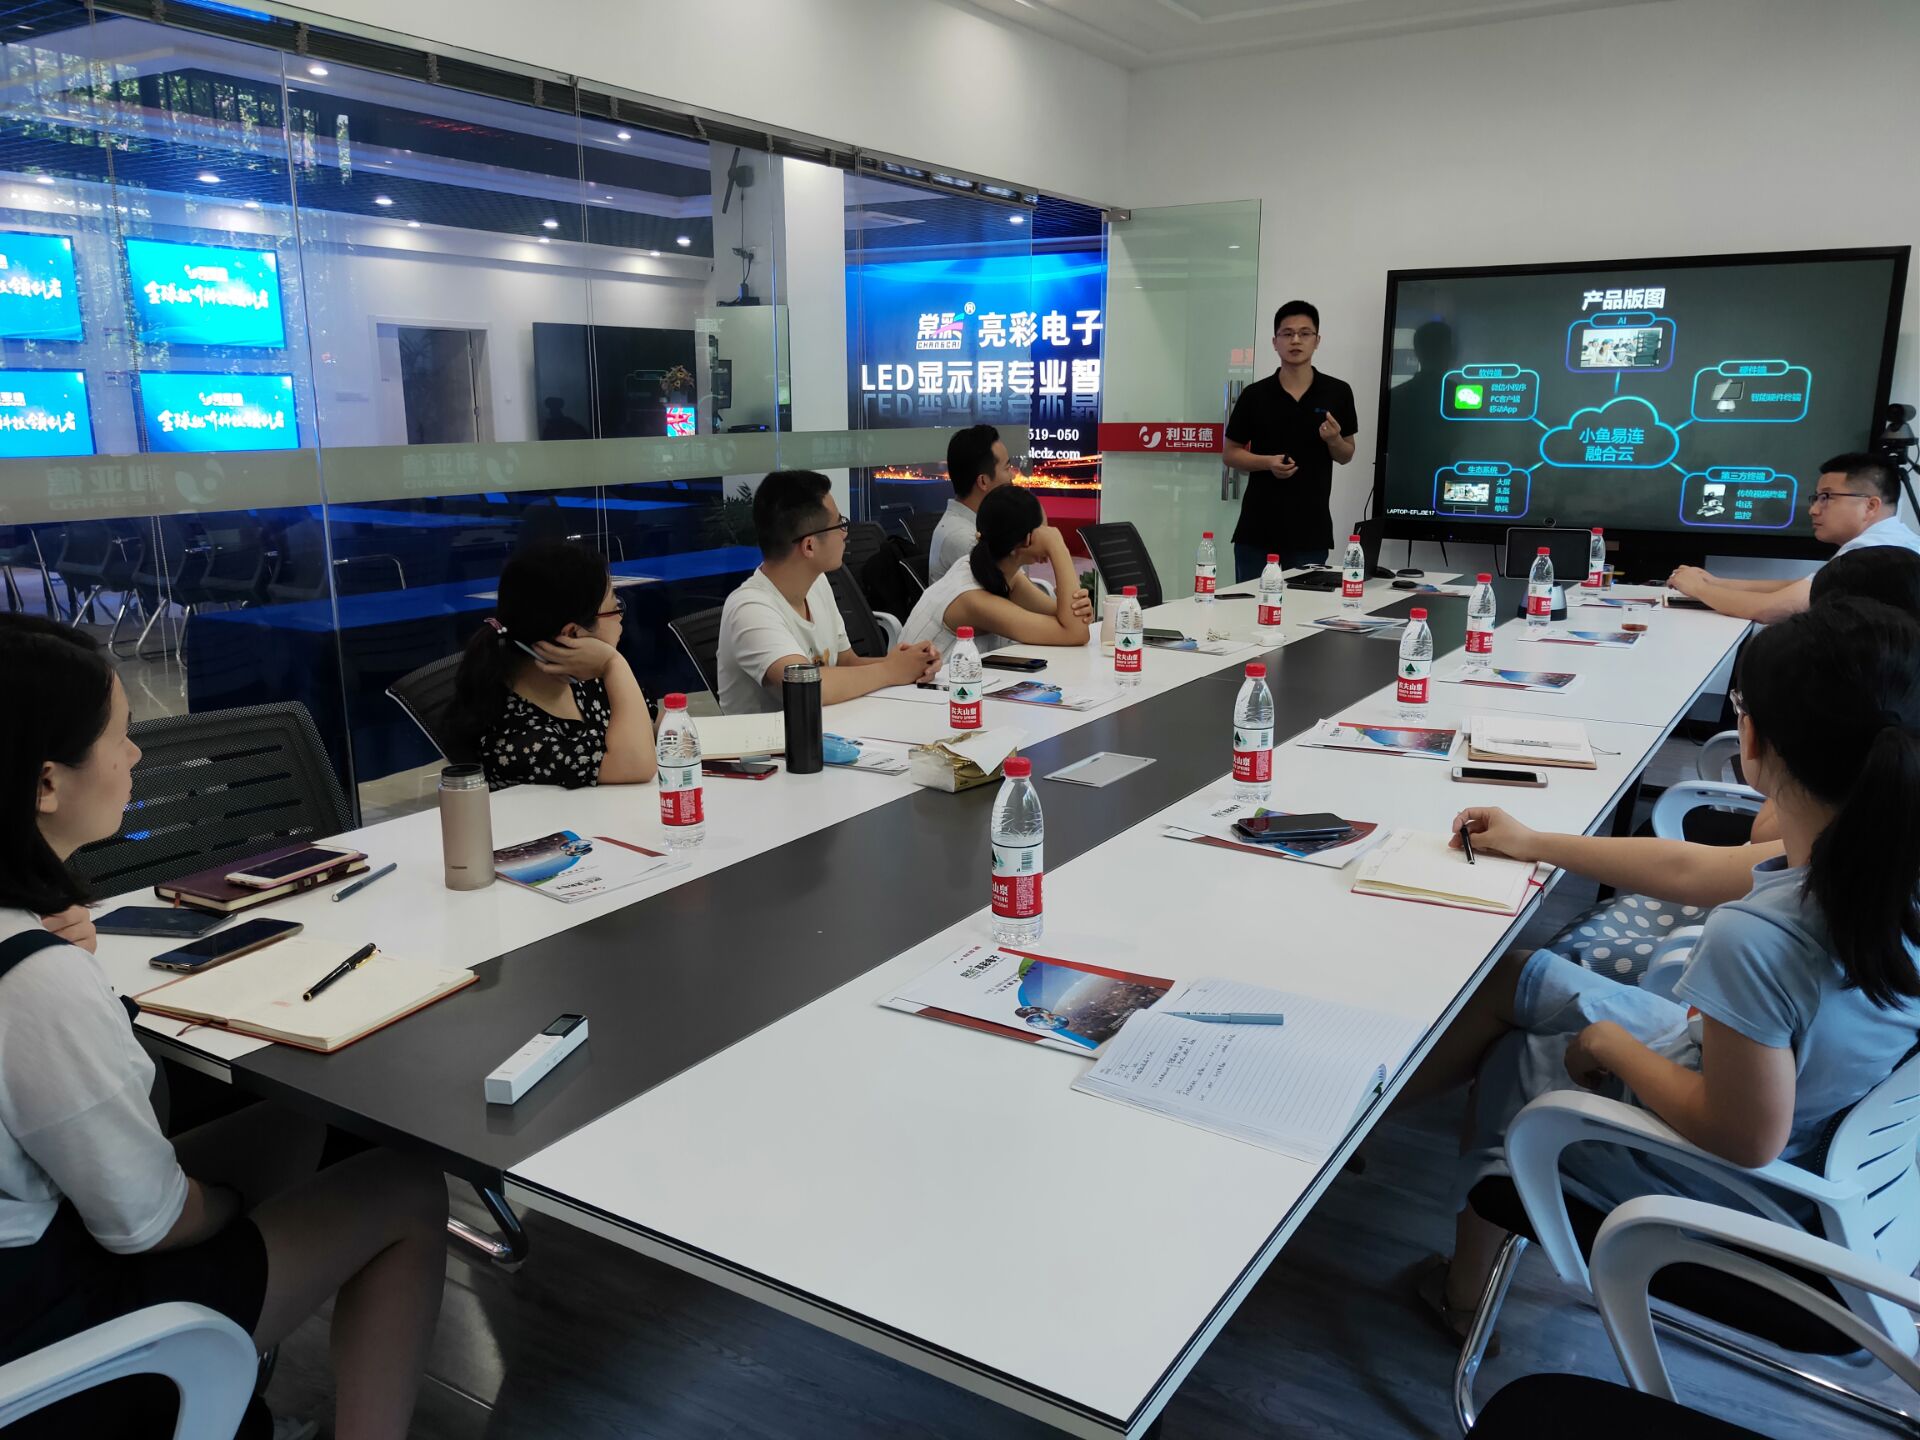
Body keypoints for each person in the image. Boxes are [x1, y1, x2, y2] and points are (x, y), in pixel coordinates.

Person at [1407, 598, 1920, 1343]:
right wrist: (1534, 841)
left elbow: (1744, 1137)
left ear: (1754, 740)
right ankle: (1366, 1140)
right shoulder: (1880, 861)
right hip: (1832, 1134)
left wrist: (1609, 1046)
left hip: (1741, 1181)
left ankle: (1461, 1288)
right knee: (1520, 975)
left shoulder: (1760, 938)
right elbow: (1688, 867)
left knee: (1520, 1055)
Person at [0, 615, 447, 1440]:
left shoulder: (30, 956)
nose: (137, 755)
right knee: (409, 1187)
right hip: (53, 1335)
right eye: (120, 736)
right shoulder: (34, 982)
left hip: (34, 1253)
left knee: (297, 1121)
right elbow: (147, 1225)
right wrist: (234, 1205)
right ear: (45, 785)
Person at [717, 470, 940, 714]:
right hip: (774, 738)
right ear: (809, 546)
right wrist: (890, 670)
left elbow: (846, 663)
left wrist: (908, 664)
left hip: (833, 728)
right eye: (840, 524)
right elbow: (807, 686)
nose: (845, 533)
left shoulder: (817, 583)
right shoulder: (749, 609)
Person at [447, 540, 656, 790]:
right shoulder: (514, 738)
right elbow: (635, 765)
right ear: (572, 634)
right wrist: (615, 663)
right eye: (613, 609)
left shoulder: (586, 680)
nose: (621, 615)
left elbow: (665, 727)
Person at [1668, 452, 1920, 621]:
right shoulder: (1890, 539)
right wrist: (1716, 582)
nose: (1813, 510)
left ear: (1870, 506)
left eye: (1827, 497)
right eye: (1816, 498)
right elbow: (1808, 585)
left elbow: (1771, 609)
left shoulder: (1873, 551)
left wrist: (1698, 588)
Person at [1222, 300, 1360, 582]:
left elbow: (1346, 454)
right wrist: (1267, 463)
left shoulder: (1337, 392)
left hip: (1311, 531)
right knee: (1250, 605)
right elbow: (1230, 454)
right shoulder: (1255, 395)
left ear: (1317, 340)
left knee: (1304, 607)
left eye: (1305, 333)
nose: (1296, 340)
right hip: (1257, 530)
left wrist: (1333, 439)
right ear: (1275, 342)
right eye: (1287, 333)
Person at [898, 485, 1093, 658]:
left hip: (962, 682)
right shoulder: (972, 599)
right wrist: (1058, 547)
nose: (1050, 535)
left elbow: (1068, 621)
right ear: (1026, 540)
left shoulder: (1003, 574)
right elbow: (1074, 633)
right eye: (1045, 531)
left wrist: (1076, 610)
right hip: (918, 686)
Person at [930, 423, 1016, 582]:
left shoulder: (980, 524)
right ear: (983, 481)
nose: (1012, 476)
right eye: (1007, 468)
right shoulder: (963, 540)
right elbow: (1012, 589)